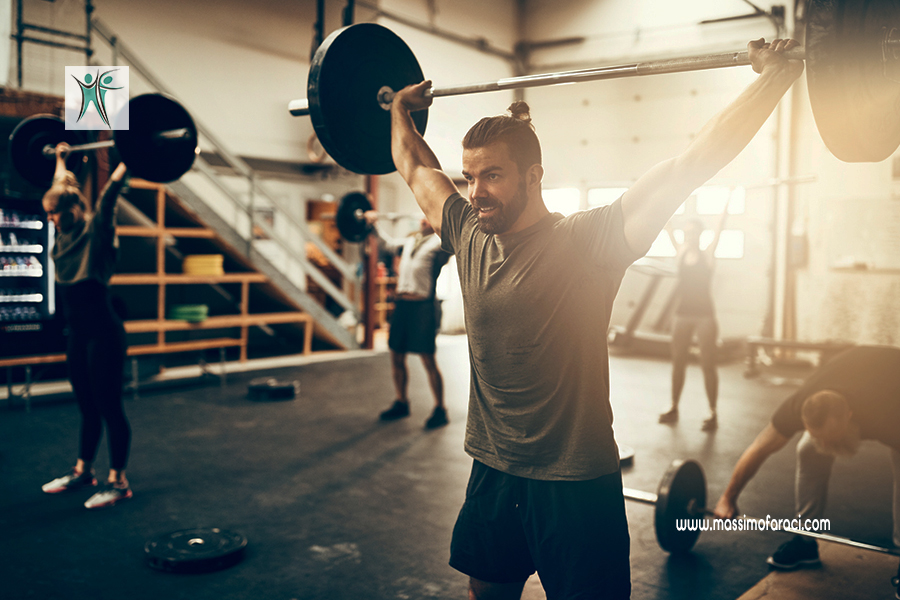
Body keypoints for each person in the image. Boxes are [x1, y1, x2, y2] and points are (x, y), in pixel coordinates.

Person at [390, 37, 802, 599]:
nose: (476, 191)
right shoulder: (467, 232)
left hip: (575, 481)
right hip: (493, 468)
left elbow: (691, 165)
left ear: (533, 176)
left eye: (493, 176)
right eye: (469, 176)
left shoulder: (587, 240)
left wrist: (775, 78)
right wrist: (397, 110)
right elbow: (414, 166)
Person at [714, 345, 900, 571]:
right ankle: (805, 541)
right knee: (809, 449)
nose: (824, 445)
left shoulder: (886, 416)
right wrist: (728, 497)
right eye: (817, 435)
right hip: (856, 369)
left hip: (892, 383)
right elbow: (759, 449)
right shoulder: (798, 406)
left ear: (850, 416)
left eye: (830, 438)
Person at [39, 142, 133, 510]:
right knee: (86, 405)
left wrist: (131, 161)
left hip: (104, 334)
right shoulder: (63, 227)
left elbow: (108, 196)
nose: (50, 220)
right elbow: (62, 187)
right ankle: (84, 471)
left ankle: (118, 482)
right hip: (77, 333)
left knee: (109, 405)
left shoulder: (96, 233)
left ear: (73, 211)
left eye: (54, 215)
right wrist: (61, 160)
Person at [366, 211, 450, 429]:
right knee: (396, 355)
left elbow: (454, 241)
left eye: (429, 217)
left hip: (423, 306)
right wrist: (373, 225)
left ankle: (440, 409)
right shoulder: (410, 241)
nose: (424, 219)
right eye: (423, 216)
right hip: (402, 306)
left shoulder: (440, 246)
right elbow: (387, 244)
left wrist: (445, 224)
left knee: (427, 359)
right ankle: (401, 402)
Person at [659, 203, 730, 431]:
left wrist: (727, 202)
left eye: (693, 232)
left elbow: (720, 227)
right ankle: (673, 407)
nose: (689, 236)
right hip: (682, 314)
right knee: (677, 363)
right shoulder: (680, 252)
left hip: (704, 316)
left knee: (708, 364)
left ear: (700, 235)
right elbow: (667, 226)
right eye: (687, 232)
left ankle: (712, 412)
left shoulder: (707, 254)